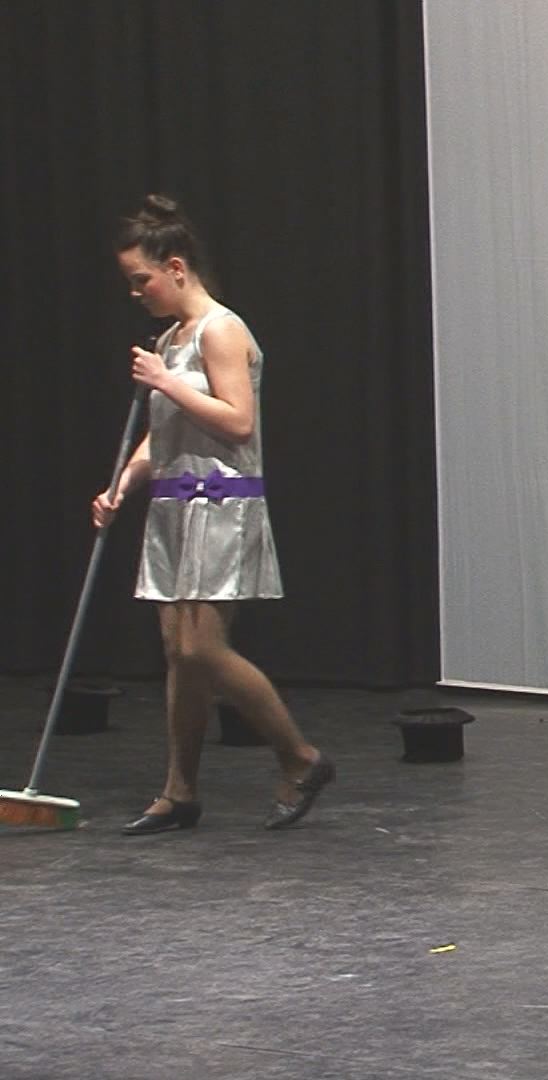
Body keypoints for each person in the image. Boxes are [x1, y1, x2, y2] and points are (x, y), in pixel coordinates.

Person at [91, 194, 335, 834]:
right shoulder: (169, 338)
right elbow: (163, 434)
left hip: (220, 504)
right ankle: (180, 791)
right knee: (179, 653)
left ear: (175, 267)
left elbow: (238, 421)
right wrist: (123, 484)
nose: (135, 293)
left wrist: (166, 382)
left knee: (201, 647)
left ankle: (300, 756)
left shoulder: (221, 330)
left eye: (141, 279)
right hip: (173, 506)